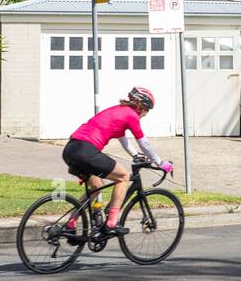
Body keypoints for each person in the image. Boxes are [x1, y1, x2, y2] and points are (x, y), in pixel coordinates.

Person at [61, 87, 171, 236]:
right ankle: (111, 223)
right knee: (123, 177)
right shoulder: (131, 115)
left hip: (71, 149)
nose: (146, 114)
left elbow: (123, 139)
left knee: (96, 185)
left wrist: (135, 155)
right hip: (87, 150)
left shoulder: (118, 110)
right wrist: (160, 162)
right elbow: (143, 143)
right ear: (141, 106)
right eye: (147, 110)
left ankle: (70, 224)